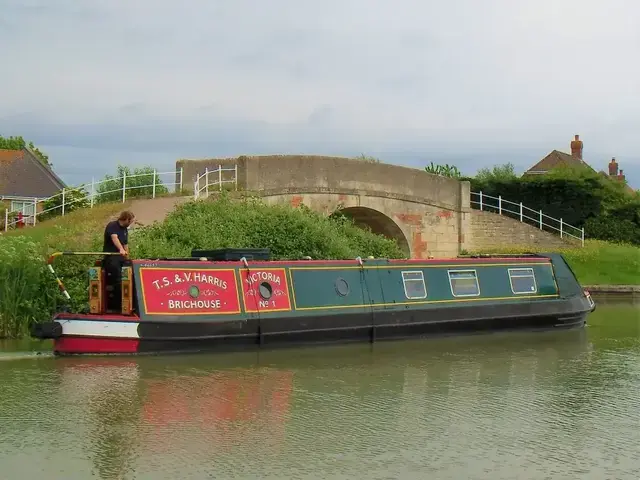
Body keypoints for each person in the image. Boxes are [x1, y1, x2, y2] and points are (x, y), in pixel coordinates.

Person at [102, 210, 135, 311]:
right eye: (130, 221)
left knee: (131, 272)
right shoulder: (112, 225)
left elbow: (126, 244)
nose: (131, 223)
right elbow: (114, 237)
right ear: (126, 219)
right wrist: (120, 249)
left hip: (121, 258)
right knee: (118, 279)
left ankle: (131, 301)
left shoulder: (125, 230)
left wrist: (127, 256)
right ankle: (117, 305)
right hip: (111, 257)